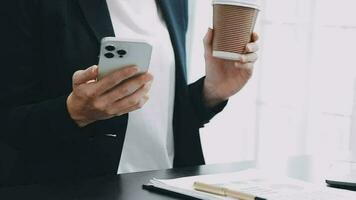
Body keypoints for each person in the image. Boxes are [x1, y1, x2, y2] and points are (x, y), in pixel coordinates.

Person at [0, 0, 258, 185]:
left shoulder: (175, 4)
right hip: (79, 187)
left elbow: (162, 117)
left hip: (165, 185)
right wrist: (73, 112)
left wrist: (211, 91)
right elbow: (9, 121)